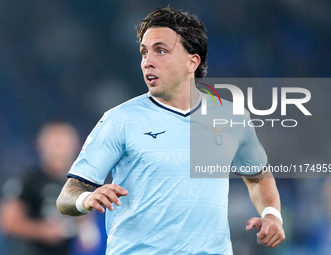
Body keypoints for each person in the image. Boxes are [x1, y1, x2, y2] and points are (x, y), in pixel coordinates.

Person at [56, 7, 285, 255]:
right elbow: (67, 195)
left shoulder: (231, 117)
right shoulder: (119, 120)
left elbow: (258, 177)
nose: (147, 61)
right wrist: (85, 199)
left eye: (160, 51)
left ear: (192, 62)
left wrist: (272, 215)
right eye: (144, 52)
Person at [0, 121, 100, 255]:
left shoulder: (81, 183)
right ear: (41, 145)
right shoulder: (27, 180)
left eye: (64, 144)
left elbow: (86, 231)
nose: (59, 150)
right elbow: (8, 222)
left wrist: (86, 230)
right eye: (55, 144)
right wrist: (42, 231)